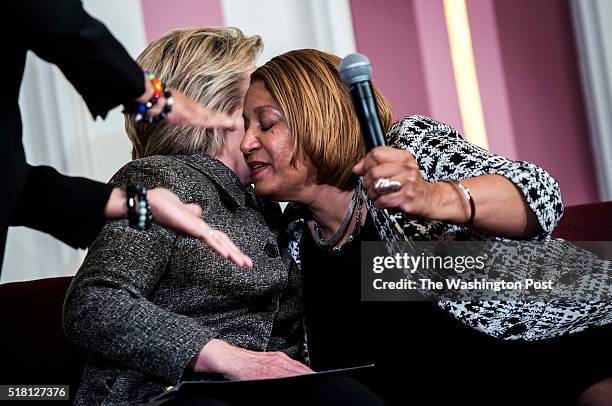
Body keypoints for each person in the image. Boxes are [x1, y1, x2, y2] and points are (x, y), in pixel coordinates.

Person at [240, 48, 612, 404]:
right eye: (244, 126)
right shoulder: (290, 237)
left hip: (557, 351)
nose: (246, 142)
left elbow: (541, 197)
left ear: (318, 119)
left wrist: (433, 197)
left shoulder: (408, 148)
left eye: (267, 124)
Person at [63, 28, 383, 406]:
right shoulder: (162, 179)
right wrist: (226, 356)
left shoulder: (274, 203)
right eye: (252, 104)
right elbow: (93, 302)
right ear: (217, 109)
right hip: (166, 395)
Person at [3, 0, 250, 269]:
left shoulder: (259, 198)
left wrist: (132, 202)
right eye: (253, 113)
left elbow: (13, 186)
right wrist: (146, 93)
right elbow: (96, 302)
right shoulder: (169, 180)